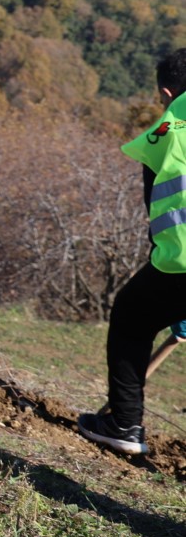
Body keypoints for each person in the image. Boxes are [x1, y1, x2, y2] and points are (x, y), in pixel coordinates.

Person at [77, 48, 186, 456]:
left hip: (181, 264)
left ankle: (123, 424)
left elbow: (160, 216)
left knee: (132, 316)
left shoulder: (171, 127)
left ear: (166, 92)